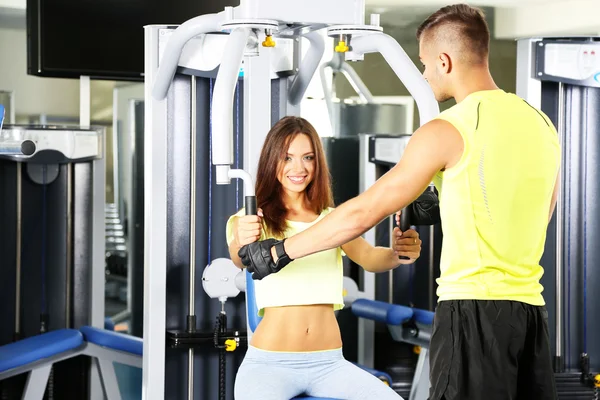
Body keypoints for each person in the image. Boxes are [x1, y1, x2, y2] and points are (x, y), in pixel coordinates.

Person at [238, 4, 561, 400]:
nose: (424, 75)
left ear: (444, 60)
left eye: (424, 64)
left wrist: (281, 252)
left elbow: (363, 212)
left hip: (472, 311)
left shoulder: (447, 128)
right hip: (530, 313)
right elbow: (540, 212)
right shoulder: (541, 123)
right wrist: (452, 203)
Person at [227, 116, 423, 400]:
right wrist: (242, 239)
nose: (299, 168)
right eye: (287, 158)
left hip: (329, 364)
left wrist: (397, 254)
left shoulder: (332, 220)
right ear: (272, 161)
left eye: (308, 157)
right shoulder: (252, 219)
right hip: (270, 365)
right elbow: (239, 257)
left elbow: (370, 258)